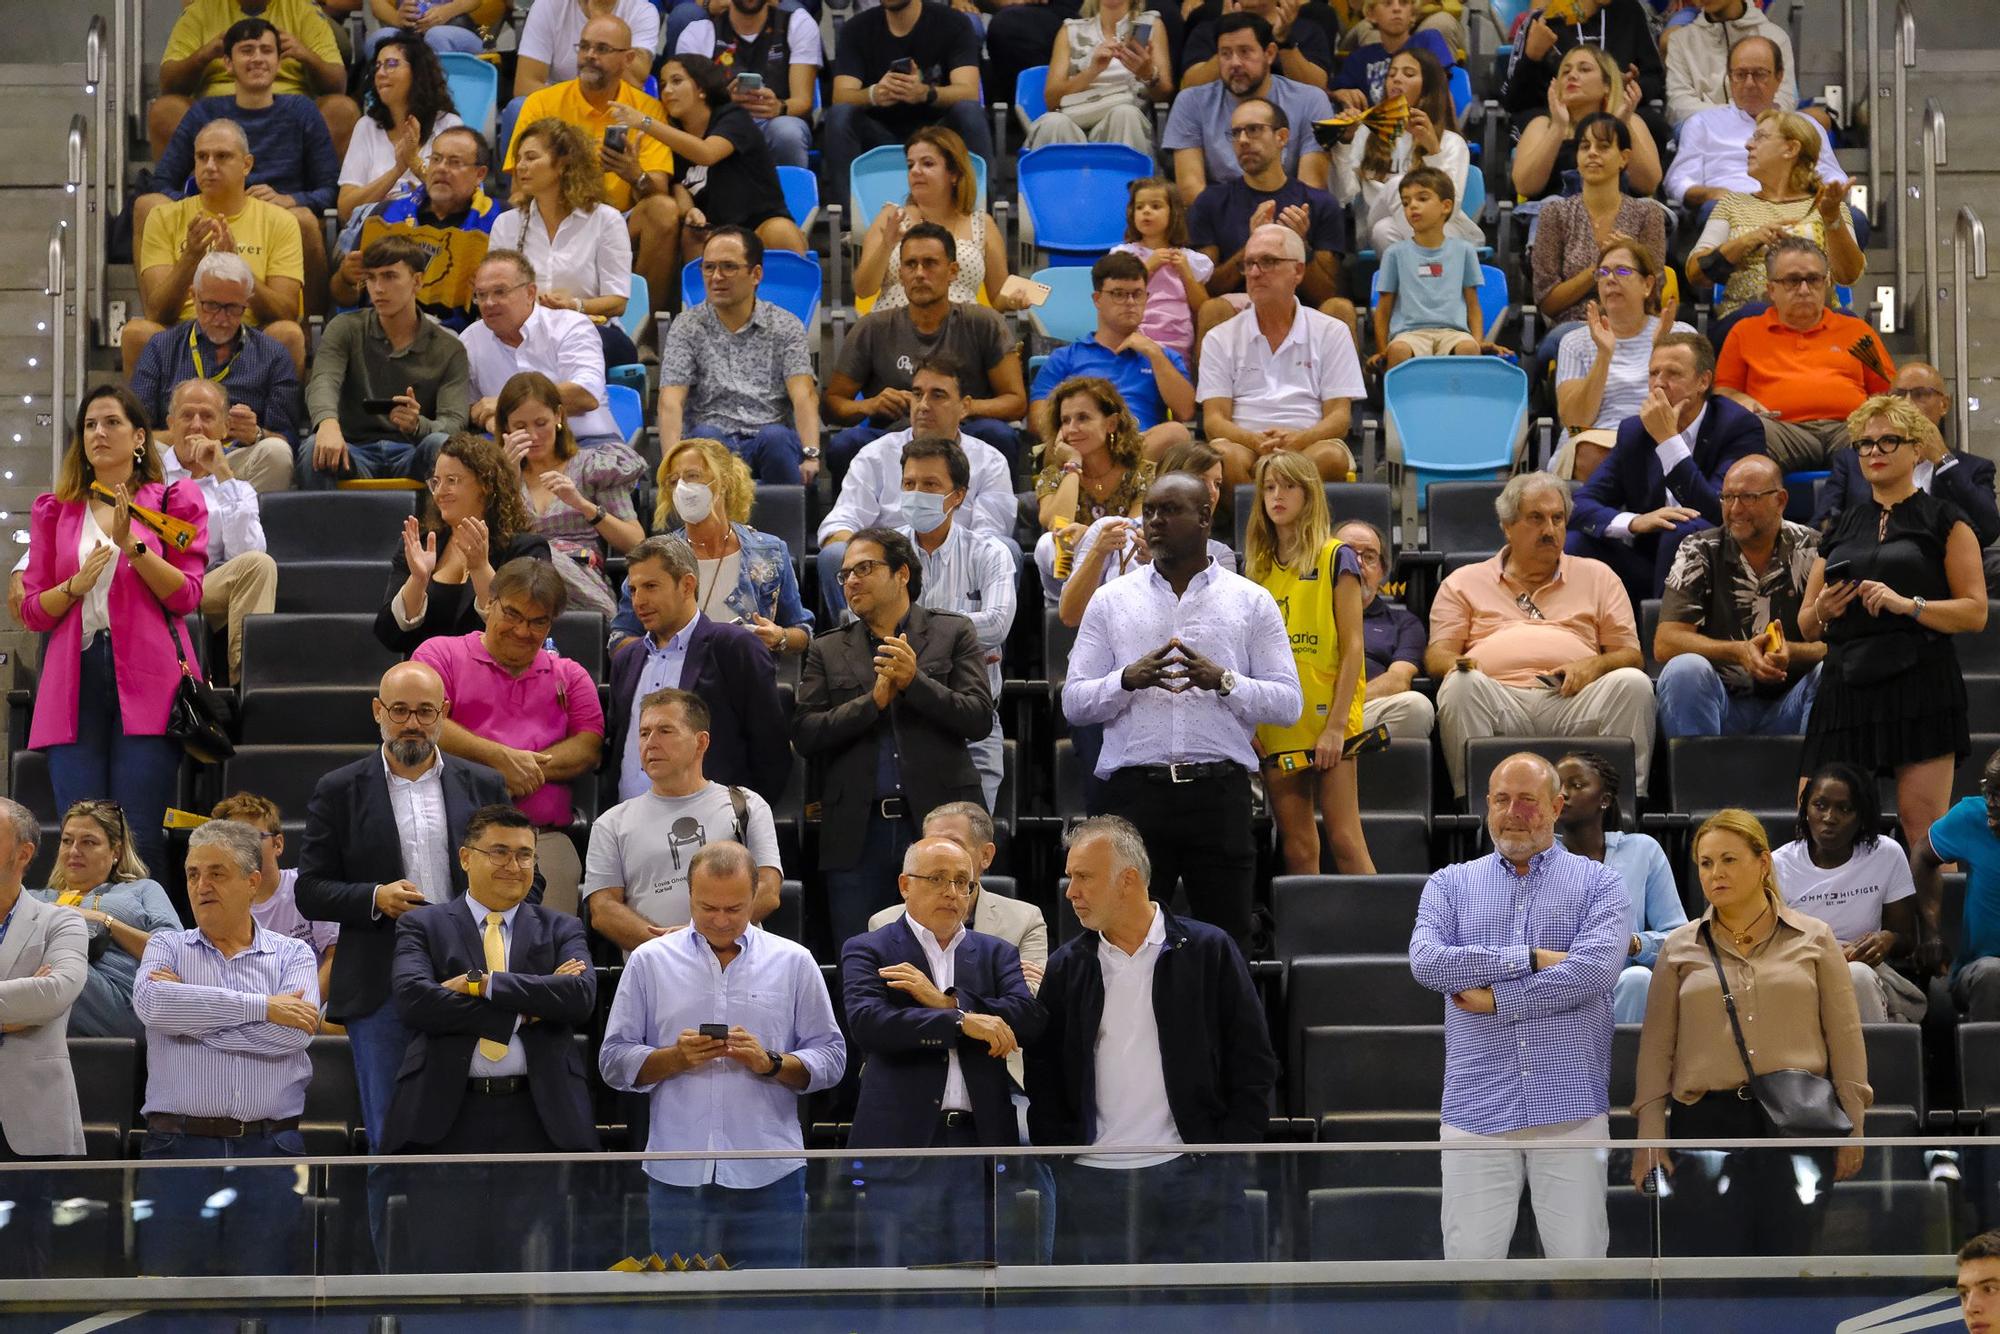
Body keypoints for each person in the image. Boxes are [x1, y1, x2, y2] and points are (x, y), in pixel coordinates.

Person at [1064, 473, 1302, 946]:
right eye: (1149, 511)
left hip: (1219, 795)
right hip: (1135, 797)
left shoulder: (1250, 601)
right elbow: (1074, 702)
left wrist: (1226, 682)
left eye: (1169, 511)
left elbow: (1289, 703)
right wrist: (1125, 680)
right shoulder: (1111, 601)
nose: (1154, 522)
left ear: (1205, 519)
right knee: (1125, 945)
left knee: (1226, 944)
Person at [1027, 816, 1278, 1264]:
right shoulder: (1067, 966)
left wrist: (1221, 1155)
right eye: (1070, 878)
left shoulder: (1209, 950)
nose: (1070, 892)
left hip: (1195, 1179)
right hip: (1092, 1188)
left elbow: (1253, 1061)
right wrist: (1065, 1159)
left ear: (1127, 881)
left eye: (1083, 877)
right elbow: (1043, 1070)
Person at [296, 661, 524, 1147]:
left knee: (472, 1133)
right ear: (378, 712)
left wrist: (488, 919)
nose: (412, 723)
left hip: (474, 974)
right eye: (399, 711)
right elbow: (309, 889)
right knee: (392, 1136)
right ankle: (397, 1227)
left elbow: (528, 876)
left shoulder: (484, 784)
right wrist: (374, 897)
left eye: (424, 711)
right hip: (381, 984)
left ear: (444, 713)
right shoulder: (339, 789)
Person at [1410, 751, 1625, 1259]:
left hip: (1571, 1111)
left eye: (1528, 800)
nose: (1514, 812)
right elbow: (1428, 963)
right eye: (1502, 800)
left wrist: (1498, 998)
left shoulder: (1600, 883)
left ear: (1556, 806)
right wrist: (1526, 958)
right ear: (1487, 805)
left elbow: (1593, 972)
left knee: (1581, 1276)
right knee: (1472, 1279)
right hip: (1475, 1112)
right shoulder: (1449, 883)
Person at [1630, 809, 1871, 1256]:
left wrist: (1853, 1127)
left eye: (1728, 859)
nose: (1715, 873)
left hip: (1799, 1119)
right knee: (1713, 1269)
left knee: (1792, 1261)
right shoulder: (1680, 947)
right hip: (1705, 1124)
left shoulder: (1815, 938)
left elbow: (1845, 1037)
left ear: (1763, 864)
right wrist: (1649, 1138)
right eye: (1705, 863)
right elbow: (1657, 1048)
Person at [599, 841, 845, 1269]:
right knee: (680, 1315)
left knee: (770, 1309)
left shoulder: (794, 962)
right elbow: (613, 1061)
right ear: (689, 895)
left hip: (771, 1171)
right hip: (677, 1171)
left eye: (734, 909)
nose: (720, 920)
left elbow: (832, 1058)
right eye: (707, 907)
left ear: (757, 898)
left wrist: (771, 1063)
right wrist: (673, 1058)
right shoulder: (649, 961)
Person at [379, 803, 598, 1274]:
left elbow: (579, 997)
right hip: (448, 1117)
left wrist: (483, 983)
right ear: (464, 857)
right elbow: (416, 1001)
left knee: (538, 1276)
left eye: (524, 855)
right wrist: (526, 1011)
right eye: (498, 851)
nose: (513, 866)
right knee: (444, 1268)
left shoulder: (563, 926)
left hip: (539, 1118)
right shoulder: (423, 924)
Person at [1797, 394, 1985, 938]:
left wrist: (1910, 605)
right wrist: (1824, 612)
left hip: (1920, 678)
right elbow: (1807, 624)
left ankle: (1936, 947)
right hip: (1846, 680)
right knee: (1819, 820)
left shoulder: (1945, 520)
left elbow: (1974, 612)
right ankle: (1821, 940)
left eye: (1887, 441)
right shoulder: (1842, 524)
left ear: (1917, 447)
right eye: (1864, 444)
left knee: (1923, 828)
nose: (1874, 452)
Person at [22, 386, 209, 876]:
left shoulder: (172, 499)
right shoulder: (55, 509)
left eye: (111, 423)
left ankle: (144, 950)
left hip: (149, 679)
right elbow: (35, 611)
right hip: (73, 679)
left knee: (139, 836)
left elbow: (187, 595)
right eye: (89, 425)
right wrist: (74, 586)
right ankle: (82, 948)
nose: (98, 433)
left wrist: (133, 546)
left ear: (140, 437)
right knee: (80, 839)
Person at [842, 836, 1044, 1266]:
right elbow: (871, 1025)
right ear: (904, 885)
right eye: (937, 880)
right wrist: (963, 1023)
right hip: (904, 1146)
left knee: (982, 1288)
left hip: (980, 1144)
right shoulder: (870, 948)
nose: (953, 893)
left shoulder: (996, 953)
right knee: (906, 1294)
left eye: (963, 883)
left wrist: (948, 1002)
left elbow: (1026, 1018)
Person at [131, 819, 319, 1277]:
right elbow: (155, 1008)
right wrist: (261, 1007)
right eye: (193, 873)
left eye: (216, 873)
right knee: (169, 1298)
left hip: (270, 1148)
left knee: (264, 1296)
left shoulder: (294, 954)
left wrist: (193, 1018)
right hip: (177, 1149)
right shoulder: (166, 946)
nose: (201, 885)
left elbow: (293, 1035)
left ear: (252, 882)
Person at [795, 528, 992, 948]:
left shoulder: (952, 632)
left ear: (902, 573)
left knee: (947, 955)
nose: (851, 580)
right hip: (856, 834)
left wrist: (914, 683)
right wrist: (873, 702)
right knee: (860, 962)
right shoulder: (827, 650)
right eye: (845, 574)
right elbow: (806, 734)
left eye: (864, 568)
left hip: (935, 827)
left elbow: (978, 718)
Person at [1426, 470, 1655, 800]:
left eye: (1557, 518)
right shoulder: (1462, 582)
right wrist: (1467, 665)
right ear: (1507, 526)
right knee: (1460, 685)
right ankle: (1475, 807)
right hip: (1498, 697)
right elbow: (1437, 656)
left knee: (1633, 684)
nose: (1550, 530)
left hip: (1574, 701)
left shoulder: (1599, 576)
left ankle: (1625, 808)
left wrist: (1592, 666)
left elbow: (1631, 655)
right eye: (1536, 518)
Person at [412, 559, 604, 916]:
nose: (521, 630)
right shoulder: (440, 654)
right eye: (512, 614)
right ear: (489, 603)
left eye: (537, 621)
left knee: (546, 959)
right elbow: (425, 721)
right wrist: (500, 762)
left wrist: (525, 770)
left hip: (542, 840)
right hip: (453, 839)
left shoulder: (571, 675)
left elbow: (587, 747)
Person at [138, 18, 337, 317]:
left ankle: (309, 324)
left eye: (266, 50)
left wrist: (291, 200)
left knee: (305, 220)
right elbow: (163, 179)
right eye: (247, 50)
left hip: (277, 218)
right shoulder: (205, 112)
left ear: (279, 61)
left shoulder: (302, 110)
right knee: (147, 205)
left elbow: (331, 189)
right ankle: (159, 315)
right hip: (212, 208)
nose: (257, 58)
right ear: (228, 64)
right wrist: (201, 202)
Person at [502, 17, 678, 335]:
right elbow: (519, 187)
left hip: (618, 216)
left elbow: (658, 191)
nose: (589, 55)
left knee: (664, 210)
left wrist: (633, 173)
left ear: (628, 59)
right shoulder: (543, 102)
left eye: (602, 48)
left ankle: (645, 329)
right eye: (584, 47)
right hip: (554, 211)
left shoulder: (645, 110)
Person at [1566, 331, 1765, 605]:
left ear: (1703, 381)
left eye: (1673, 374)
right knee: (1577, 542)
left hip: (1720, 567)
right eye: (1653, 373)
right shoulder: (1635, 431)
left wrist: (1668, 441)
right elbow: (1580, 504)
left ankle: (1666, 637)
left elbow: (1724, 511)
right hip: (1651, 565)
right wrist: (1635, 522)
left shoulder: (1737, 427)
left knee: (1680, 528)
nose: (1659, 383)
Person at [1248, 452, 1373, 875]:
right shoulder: (1256, 567)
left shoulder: (1338, 556)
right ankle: (1309, 941)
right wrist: (1247, 725)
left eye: (1288, 486)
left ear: (1310, 493)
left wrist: (1337, 726)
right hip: (1276, 719)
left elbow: (1354, 645)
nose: (1277, 496)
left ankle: (1387, 940)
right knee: (1299, 847)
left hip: (1328, 716)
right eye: (1268, 487)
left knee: (1345, 839)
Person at [585, 686, 784, 949]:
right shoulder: (611, 823)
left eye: (665, 731)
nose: (651, 742)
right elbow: (603, 910)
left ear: (701, 742)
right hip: (657, 970)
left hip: (738, 964)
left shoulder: (746, 805)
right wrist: (673, 949)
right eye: (644, 733)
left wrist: (703, 937)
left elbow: (768, 892)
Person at [821, 356, 1020, 617]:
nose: (924, 405)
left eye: (938, 395)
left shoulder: (990, 461)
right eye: (917, 394)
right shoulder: (874, 455)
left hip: (959, 566)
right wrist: (875, 563)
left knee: (1007, 550)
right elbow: (839, 525)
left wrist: (936, 556)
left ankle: (978, 650)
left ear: (964, 406)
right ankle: (853, 649)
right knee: (834, 554)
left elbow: (989, 537)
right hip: (885, 569)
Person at [824, 222, 1029, 473]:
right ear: (900, 274)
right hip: (893, 434)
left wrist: (958, 407)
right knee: (844, 445)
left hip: (964, 433)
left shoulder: (984, 322)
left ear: (952, 271)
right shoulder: (872, 328)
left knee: (998, 435)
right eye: (911, 265)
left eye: (930, 263)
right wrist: (870, 405)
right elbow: (833, 403)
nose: (919, 273)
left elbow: (1016, 401)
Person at [606, 536, 790, 805]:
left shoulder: (735, 648)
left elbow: (770, 750)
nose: (639, 601)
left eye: (650, 586)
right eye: (633, 590)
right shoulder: (626, 660)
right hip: (629, 826)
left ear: (687, 585)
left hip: (715, 829)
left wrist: (739, 818)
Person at [124, 119, 308, 382]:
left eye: (222, 157)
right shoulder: (164, 217)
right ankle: (144, 423)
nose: (209, 166)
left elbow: (285, 312)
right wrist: (190, 258)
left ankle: (274, 425)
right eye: (202, 157)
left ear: (247, 164)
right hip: (182, 338)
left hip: (251, 336)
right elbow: (157, 312)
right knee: (135, 332)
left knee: (289, 333)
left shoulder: (280, 221)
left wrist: (238, 269)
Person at [1655, 453, 1824, 738]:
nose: (1734, 509)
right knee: (1684, 669)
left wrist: (1791, 653)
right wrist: (1739, 652)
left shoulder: (1816, 549)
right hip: (1720, 705)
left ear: (1780, 500)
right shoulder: (1699, 549)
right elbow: (1666, 642)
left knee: (1832, 673)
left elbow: (1838, 648)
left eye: (1748, 497)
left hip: (1792, 705)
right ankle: (1698, 781)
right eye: (1727, 497)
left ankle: (1813, 783)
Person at [896, 437, 1018, 811]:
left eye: (930, 485)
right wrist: (960, 644)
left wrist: (912, 629)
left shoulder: (989, 553)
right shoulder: (882, 552)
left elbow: (997, 625)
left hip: (971, 725)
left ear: (958, 496)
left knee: (967, 854)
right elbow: (864, 626)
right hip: (898, 725)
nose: (917, 493)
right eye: (910, 484)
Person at [608, 437, 815, 654]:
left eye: (692, 476)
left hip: (747, 679)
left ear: (724, 481)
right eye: (673, 481)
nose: (682, 488)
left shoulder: (770, 552)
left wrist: (778, 636)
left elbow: (802, 632)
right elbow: (619, 639)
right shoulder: (653, 556)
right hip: (673, 683)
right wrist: (663, 651)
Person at [1197, 224, 1365, 490]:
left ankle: (1280, 526)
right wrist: (1254, 441)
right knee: (1224, 458)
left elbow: (1339, 418)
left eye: (1268, 262)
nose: (1254, 272)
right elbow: (1214, 420)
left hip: (1309, 442)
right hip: (1243, 444)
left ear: (1298, 271)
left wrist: (1300, 440)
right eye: (1249, 263)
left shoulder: (1332, 331)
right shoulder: (1220, 337)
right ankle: (1262, 529)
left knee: (1331, 457)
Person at [1187, 97, 1355, 360]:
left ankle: (1345, 402)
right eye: (1236, 133)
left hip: (1303, 313)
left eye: (1254, 129)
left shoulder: (1320, 203)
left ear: (1282, 137)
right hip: (1240, 315)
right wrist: (1251, 246)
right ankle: (1207, 402)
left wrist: (1301, 247)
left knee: (1341, 309)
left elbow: (1328, 293)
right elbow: (1207, 291)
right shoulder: (1211, 202)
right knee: (1212, 309)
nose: (1243, 140)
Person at [300, 236, 472, 489]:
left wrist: (418, 425)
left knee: (442, 446)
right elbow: (324, 381)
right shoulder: (345, 328)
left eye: (390, 276)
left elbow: (454, 423)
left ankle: (445, 529)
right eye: (370, 278)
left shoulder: (450, 348)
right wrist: (326, 422)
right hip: (352, 448)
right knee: (315, 446)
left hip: (414, 450)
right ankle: (320, 530)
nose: (378, 288)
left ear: (417, 281)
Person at [0, 799, 89, 1281]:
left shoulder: (62, 921)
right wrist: (17, 1008)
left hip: (30, 1126)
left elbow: (55, 991)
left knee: (25, 1271)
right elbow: (33, 998)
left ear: (24, 852)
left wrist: (38, 997)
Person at [1711, 238, 1892, 473]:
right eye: (1792, 281)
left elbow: (1888, 392)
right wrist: (1741, 400)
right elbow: (1723, 392)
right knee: (1745, 433)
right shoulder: (1745, 331)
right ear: (1771, 290)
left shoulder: (1856, 330)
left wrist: (1872, 420)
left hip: (1848, 429)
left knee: (1882, 437)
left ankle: (1865, 511)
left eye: (1814, 280)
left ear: (1826, 283)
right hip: (1779, 431)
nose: (1805, 290)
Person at [659, 227, 823, 485]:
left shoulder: (785, 325)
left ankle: (788, 524)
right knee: (704, 439)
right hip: (712, 438)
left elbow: (804, 395)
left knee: (777, 438)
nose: (716, 277)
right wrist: (671, 463)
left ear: (755, 274)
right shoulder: (686, 326)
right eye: (709, 267)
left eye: (728, 267)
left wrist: (811, 454)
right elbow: (670, 400)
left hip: (768, 438)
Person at [621, 52, 810, 277]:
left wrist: (645, 122)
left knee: (781, 231)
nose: (667, 91)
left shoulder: (733, 118)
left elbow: (706, 153)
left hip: (760, 226)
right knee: (692, 235)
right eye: (662, 85)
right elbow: (679, 187)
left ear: (701, 88)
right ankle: (702, 310)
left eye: (676, 81)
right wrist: (690, 211)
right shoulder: (674, 135)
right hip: (716, 235)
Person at [128, 252, 300, 492]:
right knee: (145, 451)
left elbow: (288, 439)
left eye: (232, 308)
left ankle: (244, 521)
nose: (221, 318)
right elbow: (134, 430)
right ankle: (173, 517)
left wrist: (257, 434)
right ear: (194, 297)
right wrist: (183, 434)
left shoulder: (273, 355)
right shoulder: (161, 347)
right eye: (211, 306)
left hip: (236, 462)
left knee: (277, 454)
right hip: (175, 462)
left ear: (247, 302)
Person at [1773, 763, 1926, 1025]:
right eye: (1820, 805)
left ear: (1862, 815)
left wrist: (1887, 939)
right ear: (1805, 808)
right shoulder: (1779, 864)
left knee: (1856, 976)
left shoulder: (1886, 854)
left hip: (1866, 970)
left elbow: (1906, 940)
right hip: (1802, 968)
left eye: (1844, 809)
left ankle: (1872, 1063)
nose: (1829, 818)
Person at [375, 433, 551, 653]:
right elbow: (388, 634)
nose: (440, 492)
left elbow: (521, 628)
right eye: (436, 482)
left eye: (452, 480)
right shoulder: (419, 545)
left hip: (496, 677)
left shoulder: (526, 549)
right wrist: (418, 581)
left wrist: (480, 568)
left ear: (486, 485)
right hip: (428, 679)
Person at [155, 379, 280, 686]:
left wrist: (223, 474)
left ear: (225, 428)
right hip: (153, 581)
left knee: (260, 565)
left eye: (207, 416)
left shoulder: (238, 489)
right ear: (171, 425)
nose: (196, 425)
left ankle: (246, 686)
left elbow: (247, 554)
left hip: (204, 586)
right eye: (187, 416)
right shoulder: (149, 472)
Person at [1814, 361, 2000, 564]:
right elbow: (1821, 526)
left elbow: (1988, 530)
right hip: (1866, 567)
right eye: (1899, 395)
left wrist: (1943, 459)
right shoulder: (1855, 459)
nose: (1908, 404)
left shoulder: (1973, 468)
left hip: (1941, 573)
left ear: (1944, 404)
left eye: (1921, 394)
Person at [1687, 112, 1863, 324]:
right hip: (1749, 323)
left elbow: (1849, 276)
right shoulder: (1732, 205)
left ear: (1791, 149)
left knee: (1849, 322)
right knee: (1754, 314)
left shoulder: (1830, 208)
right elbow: (1695, 272)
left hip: (1816, 320)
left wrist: (1832, 219)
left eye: (1760, 137)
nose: (1748, 145)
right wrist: (1746, 242)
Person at [499, 371, 646, 620]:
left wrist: (582, 504)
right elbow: (492, 541)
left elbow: (635, 541)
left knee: (537, 556)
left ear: (558, 416)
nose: (533, 436)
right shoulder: (497, 477)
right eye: (521, 427)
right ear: (506, 428)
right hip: (517, 585)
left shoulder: (593, 465)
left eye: (541, 423)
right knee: (526, 559)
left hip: (580, 581)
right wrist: (509, 480)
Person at [1552, 750, 1685, 1024]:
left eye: (1576, 785)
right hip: (1556, 986)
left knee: (1637, 980)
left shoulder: (1643, 850)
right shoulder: (1537, 855)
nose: (1563, 794)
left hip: (1621, 989)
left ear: (1605, 800)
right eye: (1557, 787)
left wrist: (1635, 944)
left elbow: (1680, 940)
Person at [30, 800, 180, 1041]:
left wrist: (105, 920)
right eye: (67, 841)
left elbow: (175, 953)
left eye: (88, 842)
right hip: (47, 991)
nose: (74, 850)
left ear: (116, 852)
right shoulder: (36, 897)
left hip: (122, 1003)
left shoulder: (141, 890)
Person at [825, 0, 994, 212]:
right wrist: (874, 94)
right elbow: (841, 95)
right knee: (839, 115)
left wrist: (926, 93)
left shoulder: (953, 23)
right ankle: (848, 226)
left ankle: (982, 217)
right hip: (879, 132)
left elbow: (968, 91)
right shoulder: (857, 28)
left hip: (938, 132)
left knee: (969, 111)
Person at [331, 124, 501, 333]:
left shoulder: (497, 221)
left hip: (462, 339)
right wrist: (347, 278)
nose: (441, 168)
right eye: (436, 159)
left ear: (480, 174)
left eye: (454, 162)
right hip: (380, 333)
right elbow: (342, 296)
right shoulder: (385, 215)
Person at [1551, 238, 1695, 483]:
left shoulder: (1679, 334)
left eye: (1622, 270)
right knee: (1591, 453)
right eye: (1603, 272)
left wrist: (1660, 349)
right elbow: (1575, 421)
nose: (1610, 278)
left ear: (1648, 285)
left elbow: (1690, 410)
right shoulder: (1574, 341)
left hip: (1659, 436)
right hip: (1593, 439)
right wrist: (1604, 356)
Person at [151, 0, 358, 160]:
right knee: (165, 110)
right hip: (214, 113)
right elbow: (168, 83)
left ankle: (321, 203)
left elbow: (338, 84)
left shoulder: (303, 9)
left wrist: (304, 54)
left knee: (342, 110)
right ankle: (181, 204)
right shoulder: (201, 10)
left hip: (291, 112)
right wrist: (205, 54)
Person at [1034, 252, 1196, 453]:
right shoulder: (1065, 358)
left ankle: (1118, 466)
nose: (1130, 302)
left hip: (1142, 451)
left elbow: (1186, 411)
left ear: (1147, 298)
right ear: (1097, 299)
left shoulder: (1164, 357)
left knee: (1176, 433)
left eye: (1137, 294)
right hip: (1085, 448)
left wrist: (1154, 354)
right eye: (1119, 294)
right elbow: (1038, 421)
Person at [1165, 15, 1334, 206]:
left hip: (1290, 217)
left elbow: (1311, 186)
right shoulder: (1191, 102)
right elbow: (1191, 190)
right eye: (1226, 54)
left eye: (1245, 52)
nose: (1235, 63)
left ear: (1269, 54)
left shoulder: (1310, 100)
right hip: (1218, 219)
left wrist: (1271, 226)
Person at [1327, 47, 1480, 257]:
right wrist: (1344, 142)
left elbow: (1449, 207)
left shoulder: (1452, 142)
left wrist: (1433, 151)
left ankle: (1415, 283)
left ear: (1428, 86)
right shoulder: (1365, 133)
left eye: (1408, 74)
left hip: (1444, 230)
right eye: (1391, 74)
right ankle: (1433, 277)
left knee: (1385, 230)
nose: (1397, 79)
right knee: (1398, 189)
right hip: (1377, 216)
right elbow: (1343, 196)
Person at [1527, 114, 1668, 341]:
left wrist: (1628, 262)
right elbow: (1547, 302)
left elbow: (1653, 293)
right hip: (1573, 327)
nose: (1592, 152)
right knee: (1564, 338)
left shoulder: (1647, 214)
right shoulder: (1555, 213)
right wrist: (1599, 269)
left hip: (1634, 324)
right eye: (1585, 146)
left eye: (1603, 146)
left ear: (1624, 158)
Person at [1665, 36, 1843, 212]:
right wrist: (1709, 193)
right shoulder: (1702, 123)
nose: (1749, 84)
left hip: (1796, 207)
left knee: (1853, 218)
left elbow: (1833, 176)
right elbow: (1679, 180)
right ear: (1730, 78)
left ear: (1779, 77)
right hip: (1731, 207)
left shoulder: (1806, 125)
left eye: (1759, 74)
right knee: (1715, 211)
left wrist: (1825, 193)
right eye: (1740, 75)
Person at [463, 252, 621, 448]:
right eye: (481, 295)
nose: (489, 303)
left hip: (584, 442)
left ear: (530, 293)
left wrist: (506, 405)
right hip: (511, 445)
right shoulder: (470, 339)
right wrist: (487, 420)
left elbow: (586, 393)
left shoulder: (570, 326)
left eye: (500, 292)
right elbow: (467, 405)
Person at [855, 129, 1019, 317]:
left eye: (927, 163)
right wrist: (886, 245)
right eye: (910, 165)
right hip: (897, 330)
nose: (915, 171)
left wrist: (1012, 300)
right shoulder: (892, 218)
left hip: (963, 333)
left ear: (954, 174)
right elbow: (863, 289)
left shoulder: (983, 224)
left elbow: (998, 297)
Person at [212, 792, 339, 1002]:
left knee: (332, 1025)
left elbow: (335, 956)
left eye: (252, 837)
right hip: (256, 1010)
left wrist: (303, 1008)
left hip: (316, 1003)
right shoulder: (219, 903)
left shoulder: (309, 887)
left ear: (278, 844)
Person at [672, 0, 822, 169]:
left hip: (776, 121)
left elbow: (803, 101)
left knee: (787, 132)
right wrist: (724, 101)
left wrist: (779, 107)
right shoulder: (698, 33)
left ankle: (790, 194)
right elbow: (691, 111)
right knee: (716, 134)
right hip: (721, 126)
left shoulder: (797, 23)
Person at [1508, 44, 1662, 203]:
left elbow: (1648, 184)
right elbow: (1525, 187)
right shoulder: (1541, 125)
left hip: (1619, 215)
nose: (1572, 76)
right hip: (1555, 215)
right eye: (1566, 72)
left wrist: (1621, 127)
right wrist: (1558, 128)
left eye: (1584, 69)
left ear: (1606, 85)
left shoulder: (1632, 121)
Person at [1501, 2, 1665, 149]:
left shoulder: (1630, 11)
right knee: (1534, 125)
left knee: (1653, 125)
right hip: (1557, 116)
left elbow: (1654, 78)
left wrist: (1625, 87)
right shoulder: (1542, 20)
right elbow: (1512, 101)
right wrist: (1532, 57)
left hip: (1616, 110)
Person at [336, 35, 463, 222]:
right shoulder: (367, 126)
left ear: (417, 72)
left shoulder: (449, 125)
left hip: (432, 231)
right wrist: (397, 169)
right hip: (378, 234)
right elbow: (345, 212)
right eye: (378, 66)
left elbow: (463, 200)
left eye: (391, 64)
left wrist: (414, 164)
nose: (380, 73)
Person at [1371, 166, 1486, 368]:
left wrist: (1477, 342)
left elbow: (1473, 305)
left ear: (1446, 206)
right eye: (1405, 202)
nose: (1412, 206)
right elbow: (1383, 309)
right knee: (1398, 350)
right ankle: (1395, 399)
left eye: (1422, 199)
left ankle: (1459, 400)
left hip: (1454, 333)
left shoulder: (1464, 251)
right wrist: (1383, 350)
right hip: (1408, 334)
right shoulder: (1394, 254)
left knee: (1468, 349)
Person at [1916, 749, 2000, 1021]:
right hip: (1981, 971)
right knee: (1992, 973)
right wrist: (1931, 932)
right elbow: (1922, 854)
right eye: (1988, 789)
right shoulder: (1970, 817)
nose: (1990, 802)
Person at [1028, 0, 1175, 151]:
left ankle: (1131, 174)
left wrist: (1147, 73)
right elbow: (1051, 101)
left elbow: (1164, 94)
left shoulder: (1150, 25)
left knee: (1124, 114)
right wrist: (1092, 71)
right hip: (1076, 117)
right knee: (1052, 122)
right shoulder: (1070, 30)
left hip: (1126, 119)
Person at [1336, 519, 1436, 740]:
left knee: (1417, 707)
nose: (1359, 563)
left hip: (1364, 709)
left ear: (1381, 571)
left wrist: (1341, 707)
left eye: (1369, 557)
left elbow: (1398, 679)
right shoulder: (1304, 610)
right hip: (1307, 712)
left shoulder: (1404, 622)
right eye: (1348, 555)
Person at [1113, 178, 1215, 364]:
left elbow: (1203, 307)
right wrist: (1147, 267)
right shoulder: (1125, 254)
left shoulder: (1189, 259)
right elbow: (1117, 294)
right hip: (1135, 336)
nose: (1146, 211)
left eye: (1155, 206)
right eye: (1139, 207)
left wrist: (1186, 274)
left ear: (1173, 213)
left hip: (1177, 342)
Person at [1664, 0, 1798, 127]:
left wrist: (1750, 121)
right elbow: (1678, 105)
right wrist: (1733, 117)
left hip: (1763, 128)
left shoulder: (1775, 36)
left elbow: (1784, 99)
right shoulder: (1680, 41)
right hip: (1706, 129)